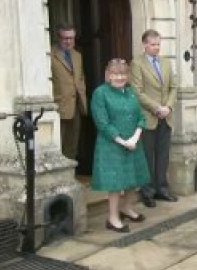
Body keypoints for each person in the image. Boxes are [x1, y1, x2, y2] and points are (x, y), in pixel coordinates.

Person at [90, 59, 150, 233]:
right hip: (112, 145)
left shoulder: (131, 92)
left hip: (133, 142)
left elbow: (141, 117)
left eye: (123, 74)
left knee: (134, 179)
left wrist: (135, 138)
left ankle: (127, 208)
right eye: (115, 74)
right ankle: (113, 218)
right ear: (108, 75)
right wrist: (123, 141)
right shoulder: (100, 93)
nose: (120, 77)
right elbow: (102, 123)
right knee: (115, 184)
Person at [130, 29, 178, 208]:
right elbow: (137, 91)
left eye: (158, 44)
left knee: (163, 156)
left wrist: (169, 107)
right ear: (144, 45)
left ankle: (162, 189)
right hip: (148, 116)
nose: (156, 47)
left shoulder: (166, 62)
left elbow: (174, 87)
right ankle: (147, 192)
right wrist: (156, 108)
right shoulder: (136, 63)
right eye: (153, 44)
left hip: (166, 116)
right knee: (147, 156)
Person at [51, 24, 88, 160]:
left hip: (76, 106)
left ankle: (71, 176)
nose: (68, 41)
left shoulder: (77, 56)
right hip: (58, 107)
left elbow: (80, 77)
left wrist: (82, 98)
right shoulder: (50, 55)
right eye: (65, 38)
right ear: (58, 38)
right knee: (58, 146)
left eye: (71, 38)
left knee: (72, 145)